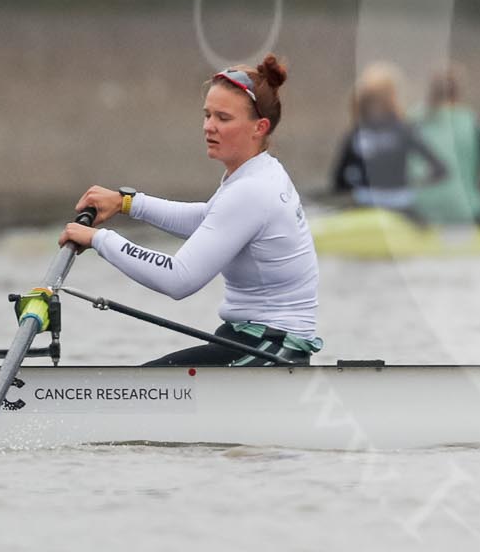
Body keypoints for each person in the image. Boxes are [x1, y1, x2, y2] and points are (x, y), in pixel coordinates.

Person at [60, 55, 323, 366]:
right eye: (207, 115)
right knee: (141, 388)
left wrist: (100, 240)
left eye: (223, 118)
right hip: (249, 337)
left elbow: (179, 279)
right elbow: (208, 220)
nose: (209, 127)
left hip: (271, 347)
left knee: (140, 392)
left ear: (259, 127)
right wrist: (126, 203)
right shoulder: (258, 172)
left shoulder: (253, 190)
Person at [329, 62, 449, 214]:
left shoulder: (357, 134)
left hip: (367, 205)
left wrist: (357, 184)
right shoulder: (403, 129)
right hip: (397, 204)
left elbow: (339, 181)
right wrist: (414, 182)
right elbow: (440, 169)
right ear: (392, 97)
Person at [415, 61, 480, 225]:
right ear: (458, 91)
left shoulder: (412, 119)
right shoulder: (471, 121)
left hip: (419, 209)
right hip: (464, 210)